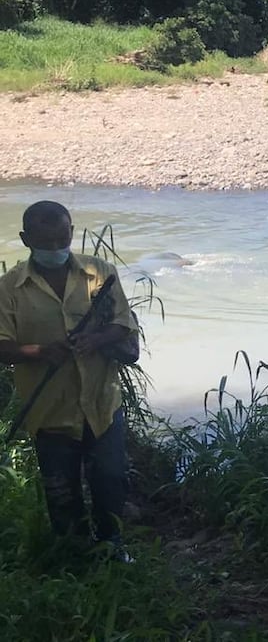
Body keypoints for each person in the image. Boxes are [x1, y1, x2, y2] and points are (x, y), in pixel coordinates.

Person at [0, 201, 140, 555]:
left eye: (61, 240)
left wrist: (96, 339)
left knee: (110, 479)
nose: (54, 250)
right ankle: (73, 555)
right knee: (61, 491)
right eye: (44, 243)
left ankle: (112, 545)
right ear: (25, 239)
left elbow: (123, 325)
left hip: (102, 403)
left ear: (72, 233)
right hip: (50, 412)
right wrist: (38, 352)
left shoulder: (99, 273)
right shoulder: (9, 288)